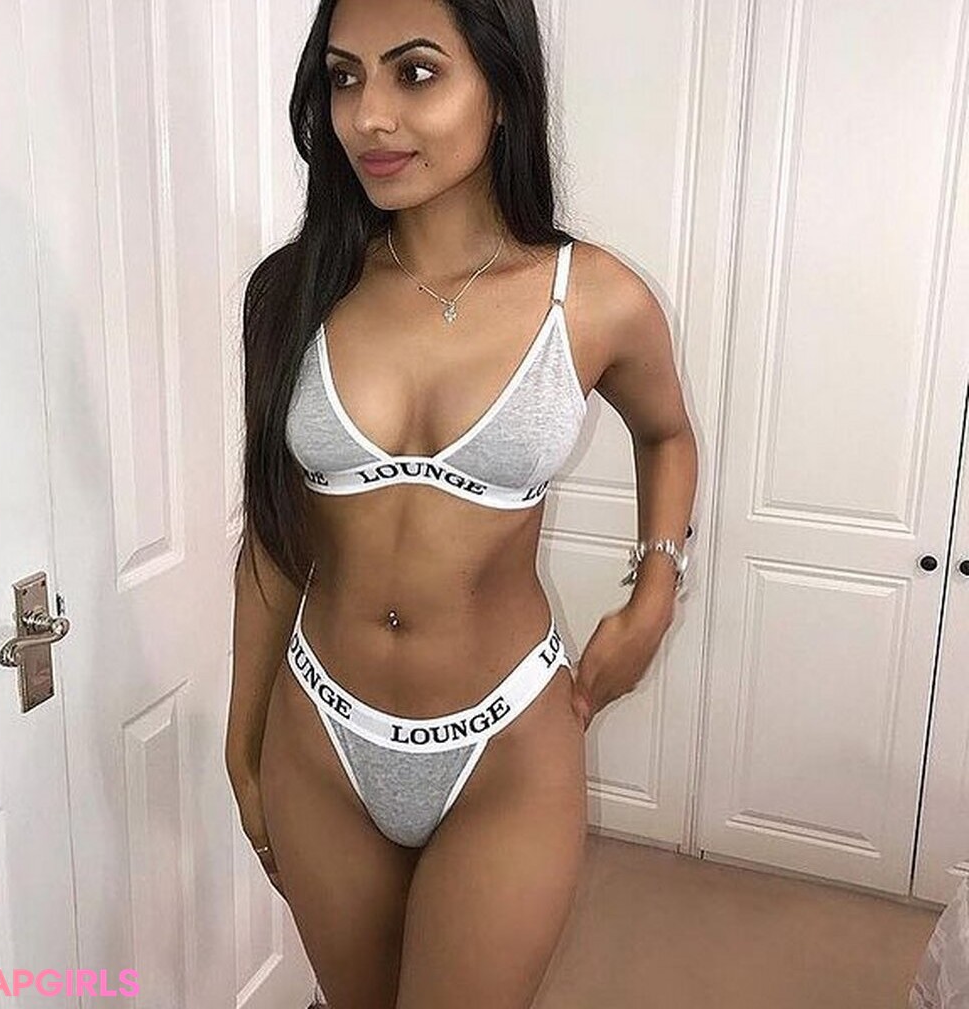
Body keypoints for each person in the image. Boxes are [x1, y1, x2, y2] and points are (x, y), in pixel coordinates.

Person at [225, 0, 698, 1006]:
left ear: (503, 87)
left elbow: (668, 435)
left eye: (415, 72)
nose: (369, 116)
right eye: (344, 77)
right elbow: (273, 537)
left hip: (506, 745)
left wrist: (655, 590)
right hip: (320, 734)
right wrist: (241, 735)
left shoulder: (593, 297)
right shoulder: (292, 293)